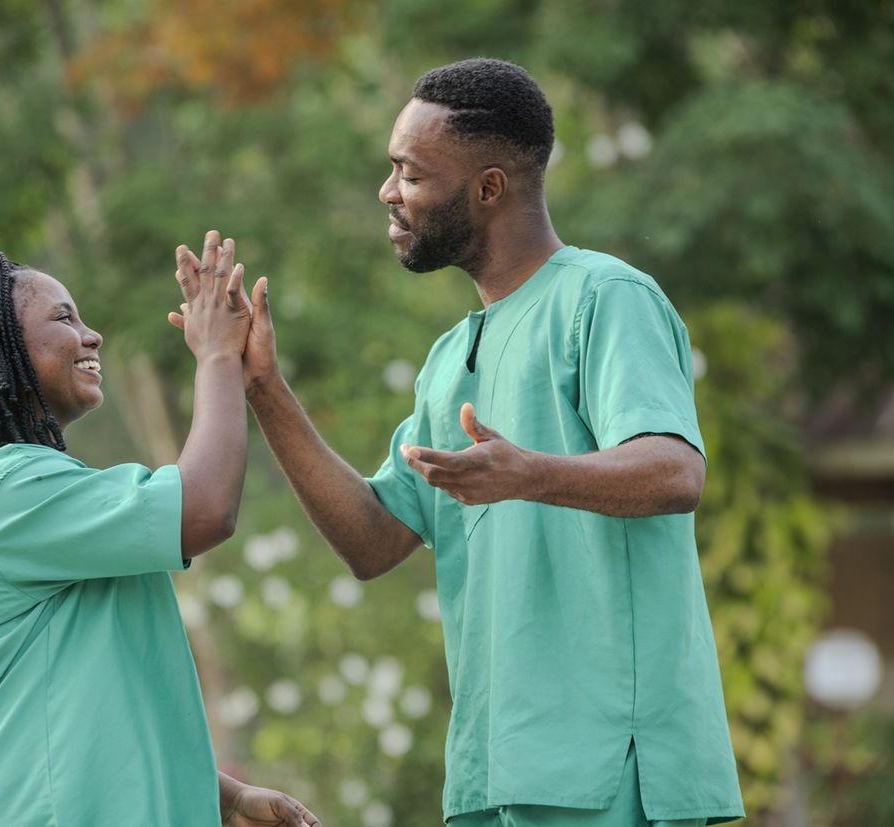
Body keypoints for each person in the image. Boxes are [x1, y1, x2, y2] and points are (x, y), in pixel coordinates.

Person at [190, 58, 745, 826]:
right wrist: (262, 388)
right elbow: (374, 539)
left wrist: (530, 473)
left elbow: (676, 472)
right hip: (494, 777)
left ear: (488, 188)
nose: (388, 192)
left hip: (614, 772)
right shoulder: (451, 357)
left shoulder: (606, 298)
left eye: (411, 174)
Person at [0, 237, 320, 826]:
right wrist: (214, 357)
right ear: (1, 347)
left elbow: (89, 697)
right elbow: (204, 509)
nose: (92, 334)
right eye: (62, 317)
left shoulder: (23, 493)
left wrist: (223, 796)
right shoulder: (8, 490)